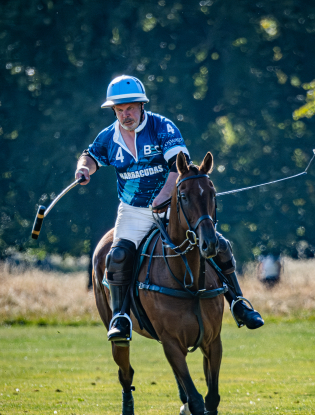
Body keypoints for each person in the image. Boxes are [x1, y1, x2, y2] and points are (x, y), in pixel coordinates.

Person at [75, 75, 264, 342]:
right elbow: (91, 155)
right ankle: (120, 318)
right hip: (133, 210)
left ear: (142, 105)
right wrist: (84, 168)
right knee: (117, 256)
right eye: (120, 110)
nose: (126, 114)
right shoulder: (109, 137)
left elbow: (180, 167)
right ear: (113, 110)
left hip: (173, 207)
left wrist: (163, 197)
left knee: (217, 244)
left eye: (130, 108)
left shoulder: (162, 127)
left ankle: (239, 303)